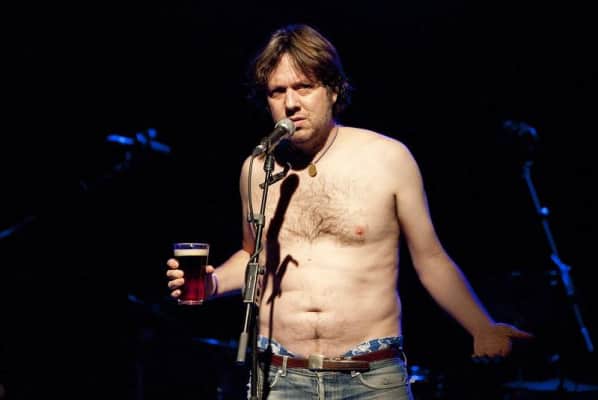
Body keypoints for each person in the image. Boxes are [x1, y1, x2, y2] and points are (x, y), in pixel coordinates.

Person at [166, 23, 533, 399]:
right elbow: (254, 256)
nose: (291, 103)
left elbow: (431, 259)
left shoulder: (388, 159)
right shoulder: (257, 168)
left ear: (333, 89)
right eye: (278, 91)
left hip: (371, 377)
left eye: (304, 87)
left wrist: (481, 325)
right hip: (280, 376)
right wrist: (211, 284)